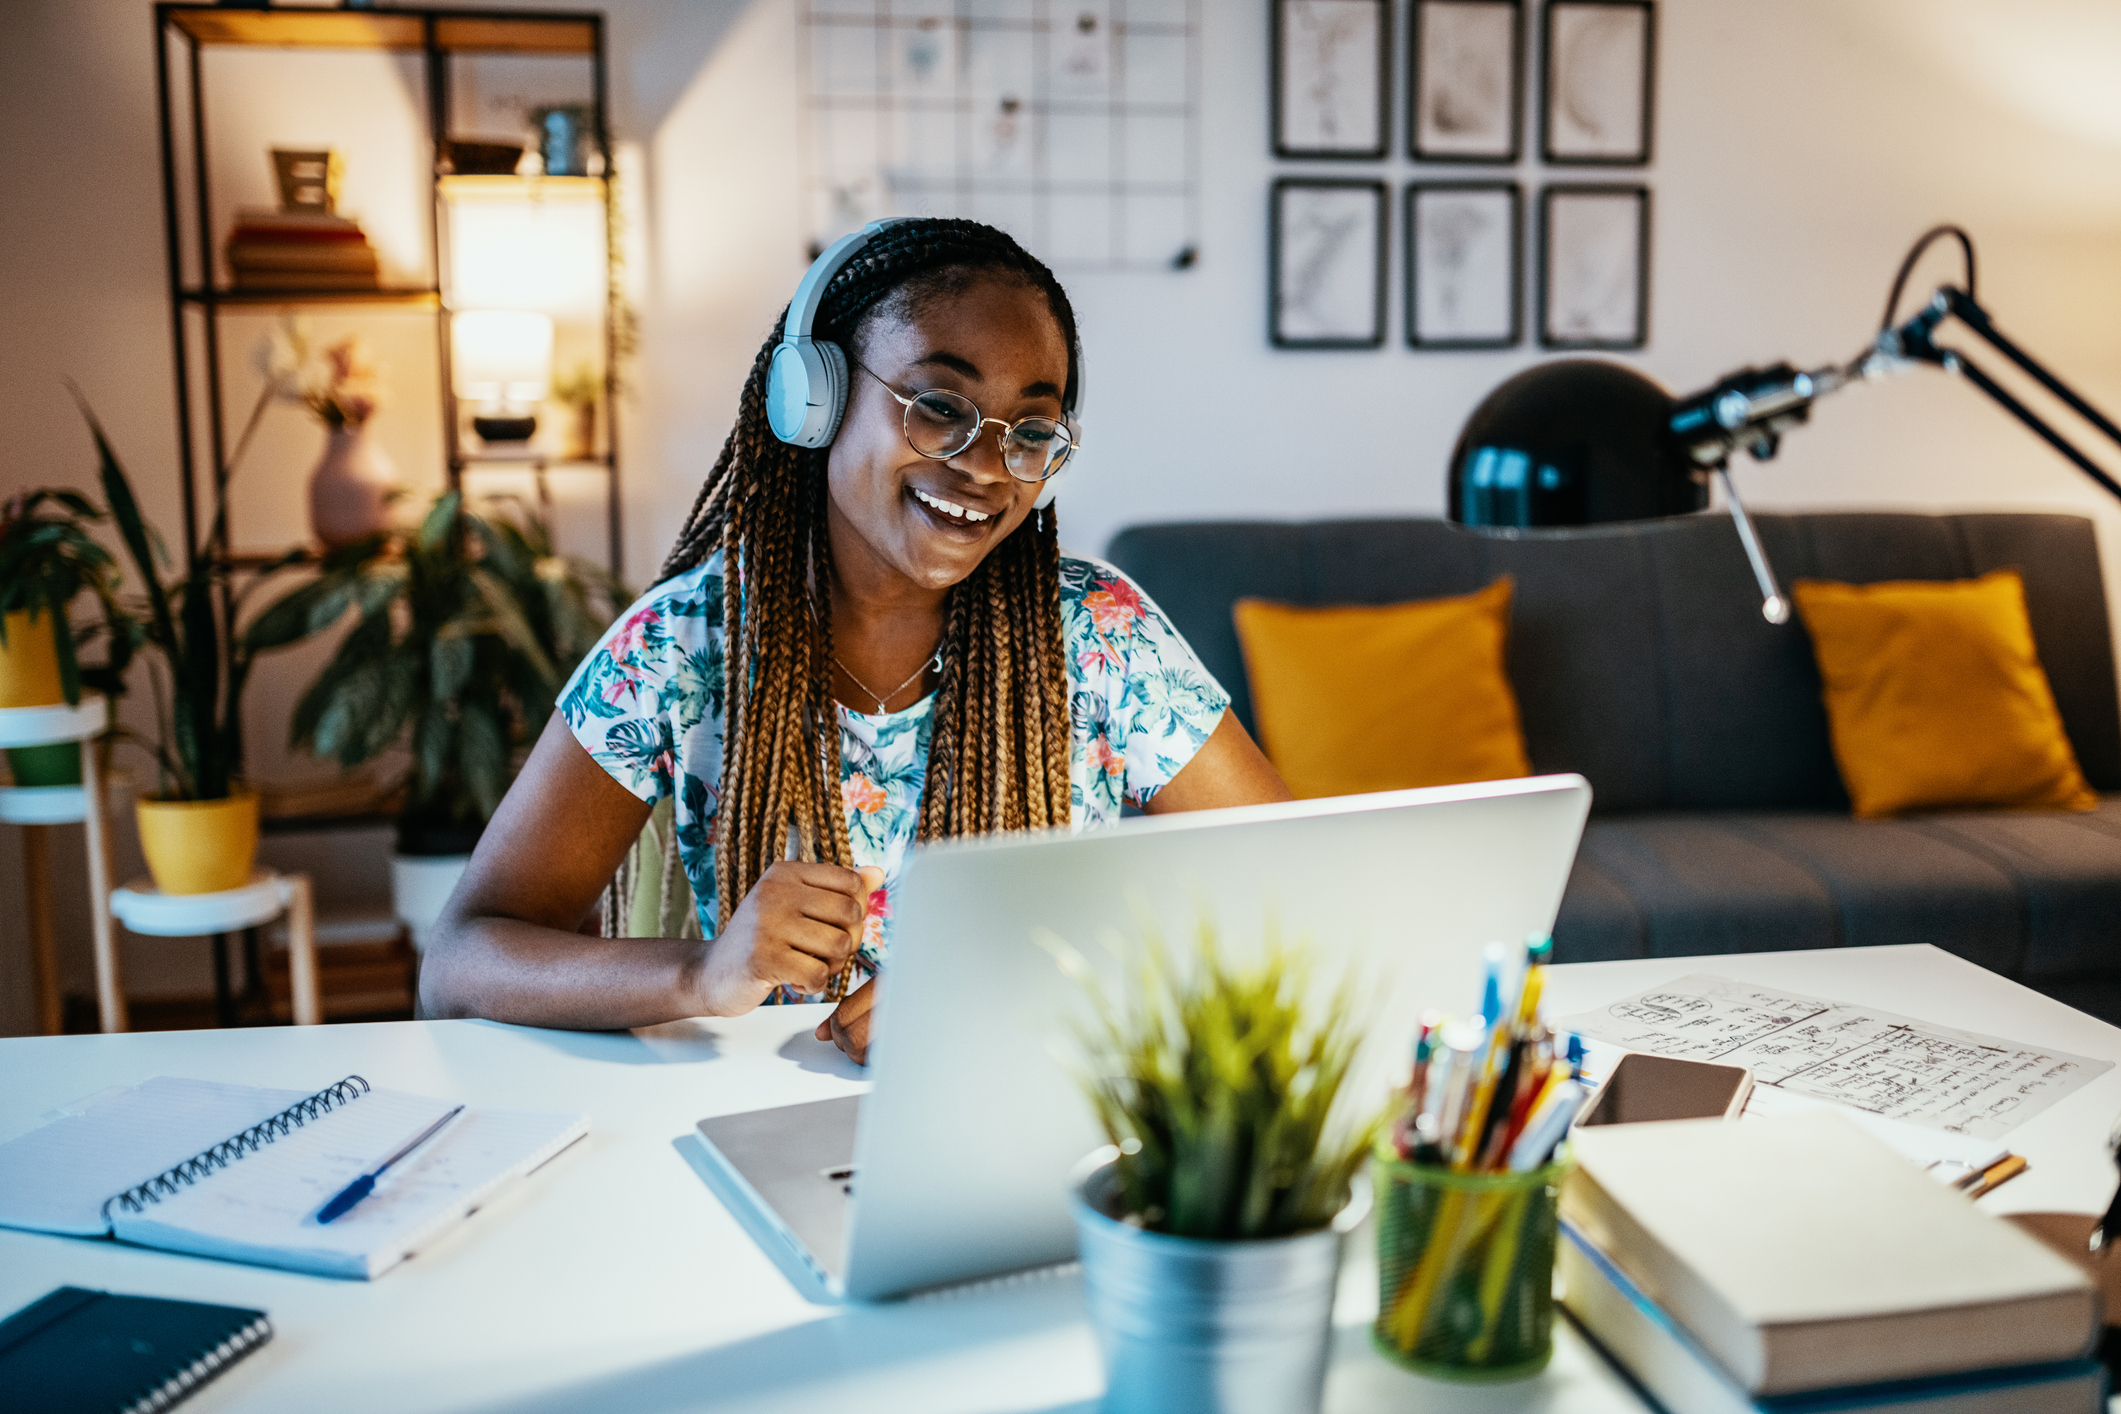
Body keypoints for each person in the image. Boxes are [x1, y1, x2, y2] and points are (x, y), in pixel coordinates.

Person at [422, 218, 1290, 1061]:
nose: (985, 467)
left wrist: (1015, 983)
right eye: (939, 406)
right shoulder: (682, 644)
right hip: (759, 1123)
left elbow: (1300, 895)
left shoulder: (1101, 634)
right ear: (815, 398)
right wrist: (700, 974)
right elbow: (460, 963)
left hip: (1029, 1114)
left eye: (1029, 431)